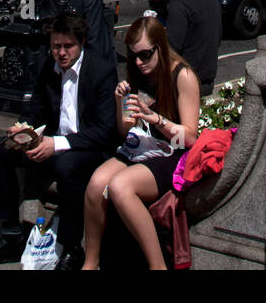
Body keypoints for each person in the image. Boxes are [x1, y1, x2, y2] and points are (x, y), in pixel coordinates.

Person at [0, 14, 117, 272]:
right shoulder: (48, 67)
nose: (61, 53)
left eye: (67, 46)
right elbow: (34, 108)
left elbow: (103, 131)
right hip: (51, 143)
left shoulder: (102, 72)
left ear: (80, 43)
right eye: (56, 46)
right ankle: (11, 236)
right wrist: (23, 130)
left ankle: (71, 248)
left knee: (67, 168)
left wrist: (54, 144)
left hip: (87, 149)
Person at [81, 17, 200, 270]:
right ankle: (90, 263)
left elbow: (189, 138)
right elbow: (126, 132)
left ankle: (158, 266)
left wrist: (157, 120)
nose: (138, 62)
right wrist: (119, 103)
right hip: (141, 147)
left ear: (161, 46)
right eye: (134, 55)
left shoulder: (183, 76)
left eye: (146, 55)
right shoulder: (138, 73)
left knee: (120, 187)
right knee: (95, 185)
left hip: (172, 152)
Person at [162, 0, 221, 95]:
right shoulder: (212, 0)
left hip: (184, 84)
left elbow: (172, 48)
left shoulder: (179, 3)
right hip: (207, 82)